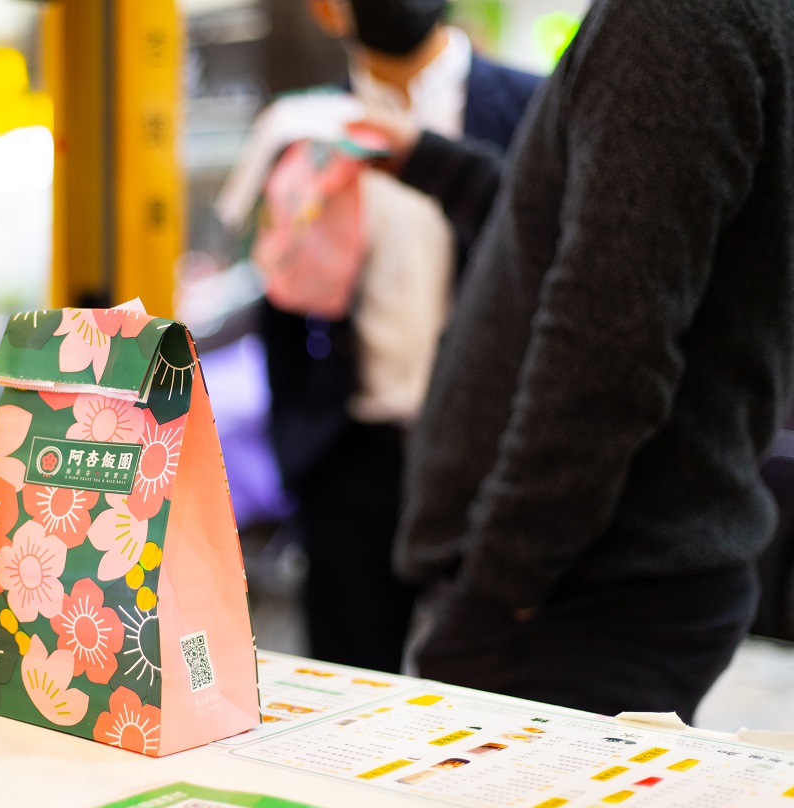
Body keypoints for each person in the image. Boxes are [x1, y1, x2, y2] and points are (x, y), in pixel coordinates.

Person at [380, 0, 794, 722]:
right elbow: (604, 241)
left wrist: (494, 596)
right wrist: (441, 167)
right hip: (601, 584)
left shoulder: (678, 20)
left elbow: (610, 342)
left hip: (573, 602)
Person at [247, 0, 540, 672]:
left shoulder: (533, 111)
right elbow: (278, 300)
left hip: (494, 466)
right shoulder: (301, 131)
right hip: (353, 458)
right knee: (348, 694)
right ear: (323, 10)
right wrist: (300, 452)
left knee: (494, 701)